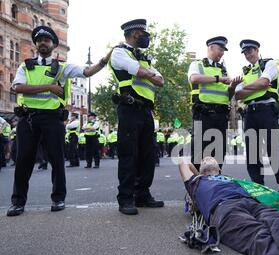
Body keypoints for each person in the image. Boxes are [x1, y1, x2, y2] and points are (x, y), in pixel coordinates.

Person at [7, 26, 110, 217]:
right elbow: (18, 87)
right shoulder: (25, 66)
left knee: (57, 160)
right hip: (28, 119)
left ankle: (58, 198)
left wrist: (104, 61)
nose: (42, 43)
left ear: (54, 45)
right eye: (39, 40)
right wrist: (49, 87)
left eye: (47, 40)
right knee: (23, 161)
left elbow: (87, 71)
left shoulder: (63, 67)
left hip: (52, 119)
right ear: (36, 44)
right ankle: (17, 202)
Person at [109, 19, 165, 215]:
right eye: (144, 33)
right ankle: (125, 198)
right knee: (128, 154)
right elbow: (139, 71)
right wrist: (147, 72)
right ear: (134, 34)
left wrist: (146, 72)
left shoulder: (144, 57)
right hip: (129, 108)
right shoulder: (118, 52)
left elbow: (161, 81)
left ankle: (142, 194)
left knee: (148, 155)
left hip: (146, 111)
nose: (146, 36)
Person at [235, 39, 279, 197]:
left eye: (250, 50)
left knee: (273, 149)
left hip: (266, 110)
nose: (248, 54)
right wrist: (256, 85)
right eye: (245, 52)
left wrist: (248, 88)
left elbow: (265, 82)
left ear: (257, 50)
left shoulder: (269, 64)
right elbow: (237, 94)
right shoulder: (245, 71)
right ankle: (257, 186)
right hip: (250, 113)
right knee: (253, 152)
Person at [188, 36, 241, 170]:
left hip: (220, 115)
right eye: (220, 49)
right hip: (203, 113)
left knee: (219, 152)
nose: (222, 53)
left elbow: (228, 94)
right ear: (211, 47)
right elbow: (194, 78)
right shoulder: (198, 64)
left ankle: (215, 184)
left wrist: (233, 86)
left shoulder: (223, 69)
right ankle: (196, 186)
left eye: (224, 50)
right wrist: (218, 79)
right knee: (199, 152)